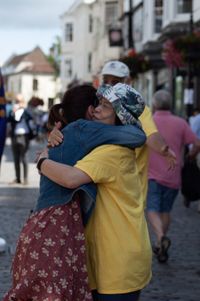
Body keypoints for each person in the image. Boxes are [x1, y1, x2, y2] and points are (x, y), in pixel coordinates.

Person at [3, 84, 146, 301]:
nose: (97, 108)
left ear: (120, 116)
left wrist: (43, 160)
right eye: (98, 103)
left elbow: (70, 179)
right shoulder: (93, 142)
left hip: (116, 259)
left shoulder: (110, 152)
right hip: (111, 254)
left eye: (106, 106)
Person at [50, 61, 176, 206]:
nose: (109, 84)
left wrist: (164, 150)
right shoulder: (99, 109)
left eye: (115, 81)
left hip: (124, 191)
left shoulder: (133, 110)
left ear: (127, 81)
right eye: (106, 80)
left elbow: (146, 135)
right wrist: (57, 135)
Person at [146, 90, 200, 263]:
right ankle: (160, 241)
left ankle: (160, 237)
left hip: (152, 173)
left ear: (154, 104)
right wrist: (190, 156)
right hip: (173, 173)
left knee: (152, 208)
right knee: (165, 210)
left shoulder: (149, 122)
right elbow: (197, 143)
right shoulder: (180, 122)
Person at [7, 94, 34, 184]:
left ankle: (25, 179)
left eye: (19, 101)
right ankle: (18, 178)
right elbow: (9, 120)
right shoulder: (13, 111)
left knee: (24, 158)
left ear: (23, 102)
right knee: (16, 158)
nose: (17, 103)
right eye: (16, 101)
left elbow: (31, 121)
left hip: (24, 136)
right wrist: (13, 112)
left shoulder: (26, 112)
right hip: (14, 136)